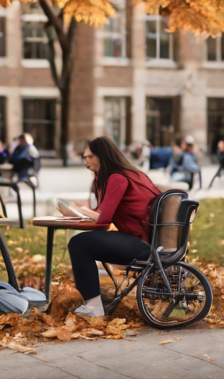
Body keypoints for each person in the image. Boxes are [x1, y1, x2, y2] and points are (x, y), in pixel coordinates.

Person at [67, 136, 161, 317]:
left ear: (103, 156)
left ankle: (94, 308)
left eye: (90, 156)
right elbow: (103, 214)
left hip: (141, 245)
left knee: (78, 243)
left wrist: (81, 212)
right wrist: (82, 212)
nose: (85, 161)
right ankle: (94, 303)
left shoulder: (117, 178)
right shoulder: (128, 173)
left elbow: (103, 221)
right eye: (84, 157)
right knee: (81, 242)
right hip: (146, 241)